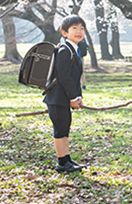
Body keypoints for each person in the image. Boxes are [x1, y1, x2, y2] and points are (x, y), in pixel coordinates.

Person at [43, 15, 86, 173]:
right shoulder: (64, 50)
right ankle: (62, 163)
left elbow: (75, 78)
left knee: (65, 128)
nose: (79, 31)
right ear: (64, 32)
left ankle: (67, 159)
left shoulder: (74, 50)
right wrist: (73, 98)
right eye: (74, 28)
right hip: (57, 98)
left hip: (64, 98)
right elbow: (64, 77)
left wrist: (78, 96)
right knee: (60, 130)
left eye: (81, 28)